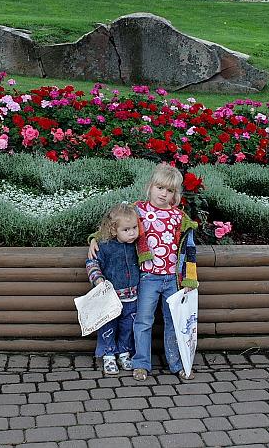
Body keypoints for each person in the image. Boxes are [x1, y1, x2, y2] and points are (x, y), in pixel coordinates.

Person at [89, 163, 198, 382]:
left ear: (175, 194)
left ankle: (177, 364)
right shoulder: (139, 210)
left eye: (169, 191)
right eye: (159, 187)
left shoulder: (180, 218)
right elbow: (114, 224)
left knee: (173, 322)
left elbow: (190, 250)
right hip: (148, 277)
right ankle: (141, 364)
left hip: (173, 280)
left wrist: (189, 278)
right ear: (150, 187)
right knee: (143, 321)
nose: (163, 193)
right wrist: (94, 238)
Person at [85, 203, 141, 376]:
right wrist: (98, 279)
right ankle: (108, 354)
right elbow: (92, 262)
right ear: (114, 230)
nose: (132, 232)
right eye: (126, 229)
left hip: (132, 297)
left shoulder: (138, 245)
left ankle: (124, 352)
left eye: (134, 228)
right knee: (108, 326)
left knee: (127, 327)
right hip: (111, 298)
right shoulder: (105, 246)